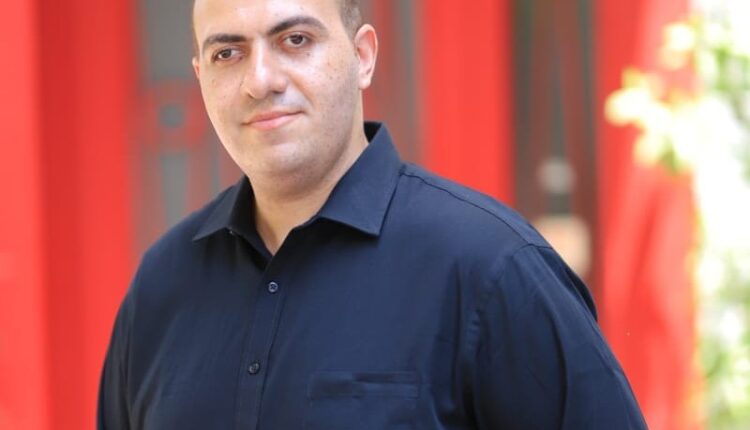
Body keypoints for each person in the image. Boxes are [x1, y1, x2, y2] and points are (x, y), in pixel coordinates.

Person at [98, 0, 647, 428]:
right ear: (200, 76)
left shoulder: (493, 268)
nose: (260, 80)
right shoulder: (162, 284)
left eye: (295, 40)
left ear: (363, 57)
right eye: (227, 53)